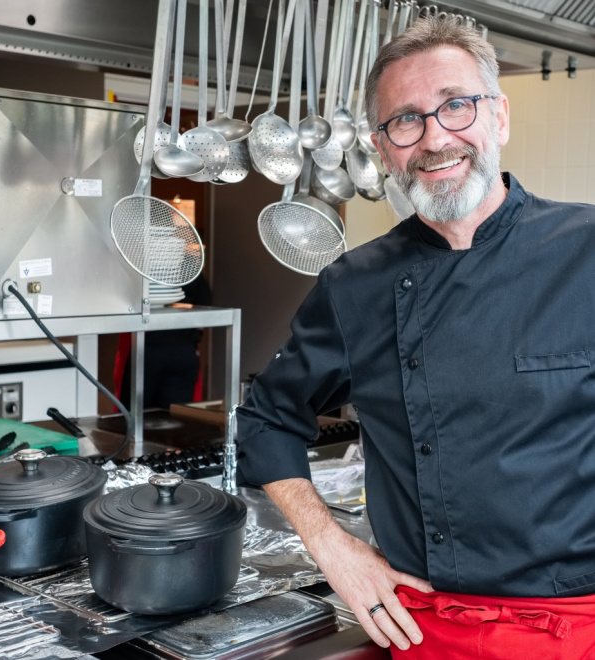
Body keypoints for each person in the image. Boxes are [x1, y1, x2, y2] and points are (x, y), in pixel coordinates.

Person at [236, 14, 595, 660]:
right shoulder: (355, 285)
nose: (434, 139)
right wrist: (333, 546)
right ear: (383, 146)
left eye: (456, 106)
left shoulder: (586, 252)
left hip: (580, 625)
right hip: (431, 631)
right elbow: (264, 420)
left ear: (499, 118)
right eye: (405, 120)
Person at [115, 274, 212, 409]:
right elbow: (205, 309)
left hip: (147, 347)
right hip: (183, 349)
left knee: (134, 416)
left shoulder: (137, 267)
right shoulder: (189, 268)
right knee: (176, 417)